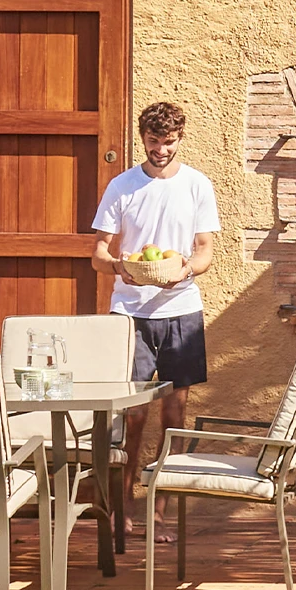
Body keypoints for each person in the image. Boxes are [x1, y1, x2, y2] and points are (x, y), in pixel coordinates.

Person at [94, 100, 220, 533]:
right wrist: (120, 267)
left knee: (174, 416)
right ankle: (122, 509)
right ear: (142, 138)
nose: (161, 149)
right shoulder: (121, 186)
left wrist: (185, 269)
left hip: (181, 311)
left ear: (179, 139)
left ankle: (161, 512)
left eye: (168, 142)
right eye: (153, 141)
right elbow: (98, 255)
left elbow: (204, 250)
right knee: (131, 416)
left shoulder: (197, 185)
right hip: (128, 314)